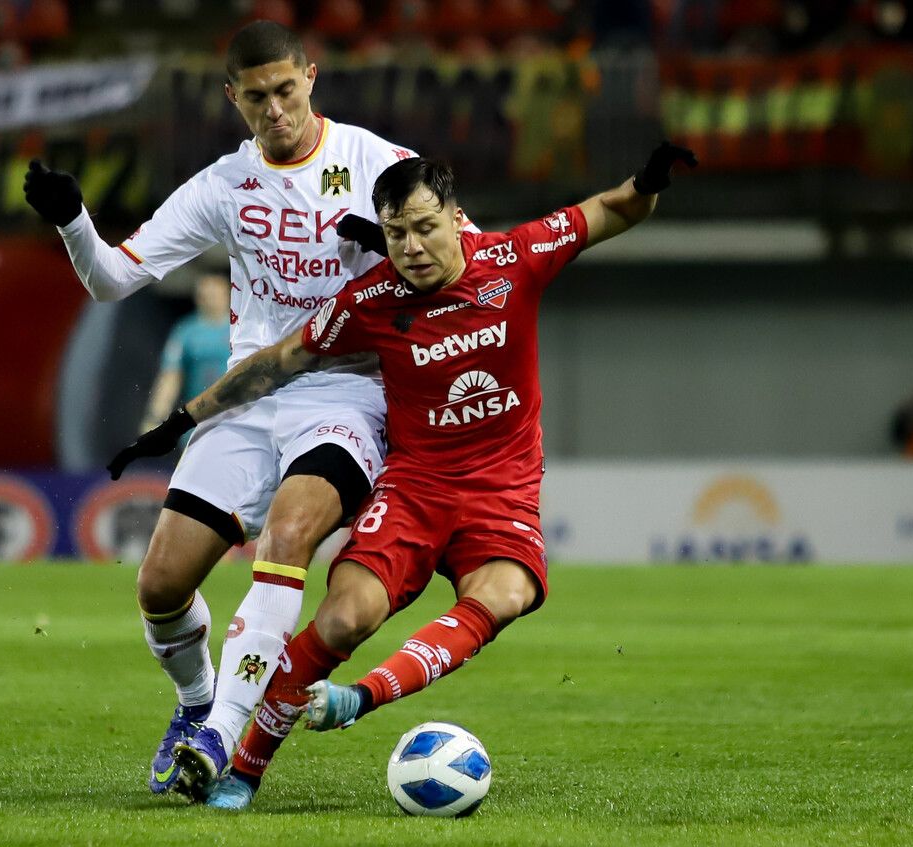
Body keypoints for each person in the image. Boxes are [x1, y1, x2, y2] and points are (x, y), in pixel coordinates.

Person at [111, 145, 696, 810]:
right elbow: (280, 359)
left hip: (500, 492)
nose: (412, 248)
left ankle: (357, 699)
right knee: (343, 618)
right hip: (415, 488)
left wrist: (648, 180)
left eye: (424, 228)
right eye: (395, 234)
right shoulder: (369, 300)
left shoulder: (515, 259)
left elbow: (611, 209)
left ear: (456, 217)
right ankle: (244, 769)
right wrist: (183, 419)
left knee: (506, 592)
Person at [23, 20, 425, 799]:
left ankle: (222, 735)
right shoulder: (222, 186)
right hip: (251, 394)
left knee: (289, 534)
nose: (275, 110)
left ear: (311, 78)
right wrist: (73, 222)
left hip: (347, 393)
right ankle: (197, 702)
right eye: (257, 97)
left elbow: (467, 260)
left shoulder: (377, 162)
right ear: (232, 97)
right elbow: (112, 279)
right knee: (160, 586)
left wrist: (394, 244)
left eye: (287, 90)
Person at [140, 273, 232, 438]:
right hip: (197, 419)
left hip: (236, 416)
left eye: (215, 295)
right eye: (205, 296)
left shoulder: (241, 328)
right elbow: (171, 376)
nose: (210, 300)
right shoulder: (186, 331)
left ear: (227, 295)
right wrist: (156, 416)